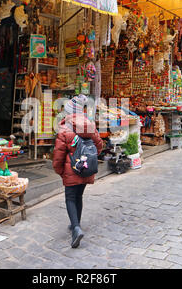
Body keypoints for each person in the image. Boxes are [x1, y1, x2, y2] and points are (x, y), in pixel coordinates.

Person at [52, 95, 102, 248]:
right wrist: (87, 158)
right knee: (78, 195)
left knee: (70, 198)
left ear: (68, 112)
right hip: (86, 168)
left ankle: (75, 228)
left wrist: (60, 171)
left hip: (71, 169)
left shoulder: (65, 129)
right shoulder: (90, 125)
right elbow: (99, 146)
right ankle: (76, 223)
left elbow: (59, 155)